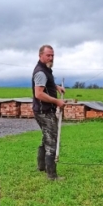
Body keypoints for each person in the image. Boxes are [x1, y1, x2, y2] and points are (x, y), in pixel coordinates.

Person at [32, 44, 66, 180]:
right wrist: (57, 101)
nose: (51, 57)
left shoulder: (45, 70)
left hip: (42, 110)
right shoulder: (41, 72)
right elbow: (39, 94)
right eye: (48, 55)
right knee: (51, 140)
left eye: (52, 55)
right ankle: (52, 175)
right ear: (40, 55)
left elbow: (45, 84)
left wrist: (56, 86)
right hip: (44, 111)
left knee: (46, 137)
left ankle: (41, 166)